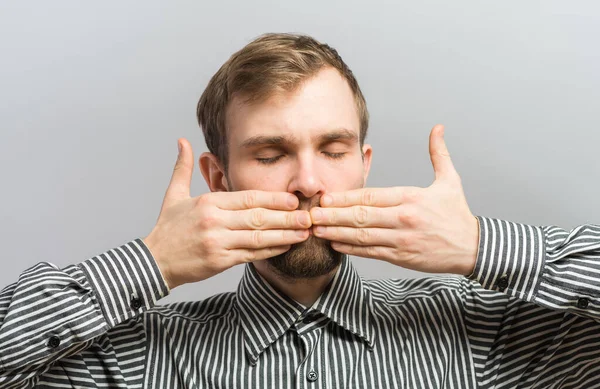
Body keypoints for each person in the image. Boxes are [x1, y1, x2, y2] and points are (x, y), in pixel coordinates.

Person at [1, 33, 599, 389]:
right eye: (270, 153)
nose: (309, 182)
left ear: (363, 166)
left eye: (333, 150)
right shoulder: (139, 357)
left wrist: (480, 246)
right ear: (218, 179)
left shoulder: (481, 338)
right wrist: (149, 263)